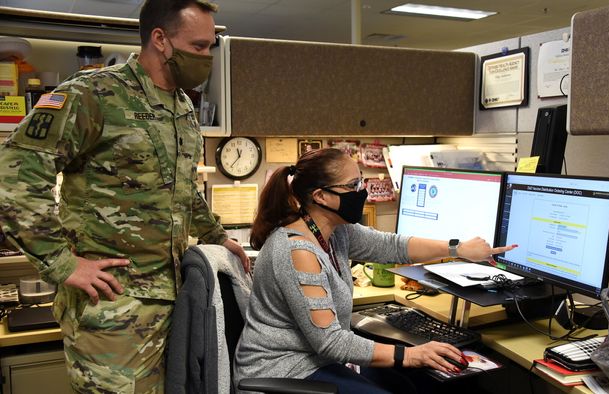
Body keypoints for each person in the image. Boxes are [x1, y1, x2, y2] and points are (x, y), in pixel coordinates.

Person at [0, 1, 249, 392]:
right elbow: (12, 178)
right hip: (112, 310)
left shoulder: (181, 106)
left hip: (173, 302)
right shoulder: (93, 95)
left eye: (209, 47)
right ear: (160, 40)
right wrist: (62, 263)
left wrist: (217, 236)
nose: (207, 56)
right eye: (198, 46)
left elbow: (180, 186)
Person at [233, 148, 516, 393]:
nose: (362, 193)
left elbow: (392, 247)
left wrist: (458, 249)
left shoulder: (334, 231)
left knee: (409, 385)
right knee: (406, 376)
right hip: (284, 372)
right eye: (353, 185)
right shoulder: (297, 252)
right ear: (320, 196)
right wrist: (411, 354)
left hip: (316, 361)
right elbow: (331, 342)